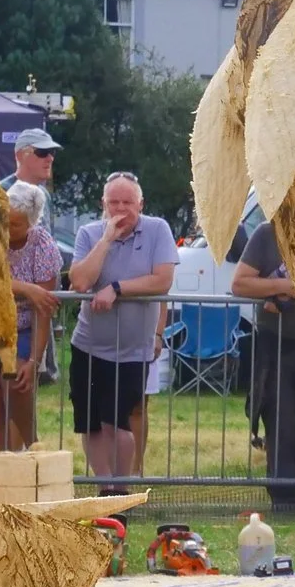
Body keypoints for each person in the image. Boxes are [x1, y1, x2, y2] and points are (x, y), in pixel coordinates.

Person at [67, 174, 177, 489]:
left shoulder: (158, 230)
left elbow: (162, 280)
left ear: (140, 204)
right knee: (90, 423)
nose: (120, 209)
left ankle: (123, 484)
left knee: (120, 422)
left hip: (133, 349)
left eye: (127, 202)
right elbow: (80, 282)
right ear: (103, 205)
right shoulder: (89, 234)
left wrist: (117, 288)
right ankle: (105, 487)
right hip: (89, 345)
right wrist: (106, 241)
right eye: (114, 202)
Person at [230, 215, 295, 508]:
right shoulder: (266, 233)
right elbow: (241, 283)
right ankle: (284, 497)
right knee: (282, 420)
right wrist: (284, 286)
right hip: (276, 343)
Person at [0, 180, 62, 451]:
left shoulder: (43, 245)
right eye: (5, 221)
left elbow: (43, 307)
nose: (7, 230)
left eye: (15, 225)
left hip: (25, 328)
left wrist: (35, 360)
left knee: (18, 383)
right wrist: (25, 288)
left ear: (32, 223)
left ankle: (31, 447)